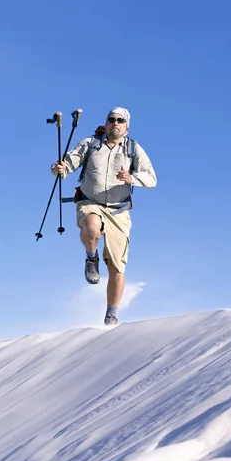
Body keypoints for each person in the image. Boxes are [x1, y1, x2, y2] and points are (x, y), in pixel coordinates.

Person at [51, 107, 157, 326]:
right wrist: (59, 169)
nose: (115, 123)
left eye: (120, 120)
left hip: (119, 210)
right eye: (111, 119)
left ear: (126, 126)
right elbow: (68, 165)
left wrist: (132, 178)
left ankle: (111, 316)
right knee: (91, 225)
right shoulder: (90, 143)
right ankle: (91, 258)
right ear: (106, 122)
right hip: (90, 202)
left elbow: (151, 178)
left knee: (117, 267)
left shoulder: (133, 149)